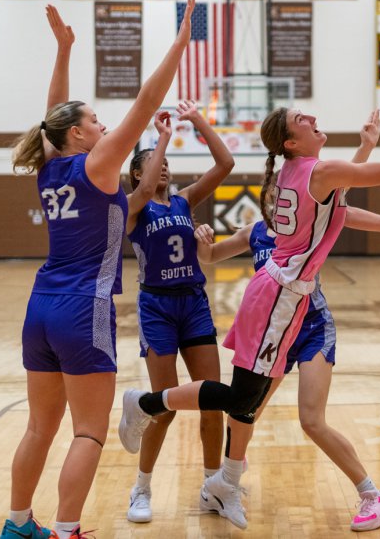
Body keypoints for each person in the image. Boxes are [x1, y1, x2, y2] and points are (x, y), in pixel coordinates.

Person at [118, 106, 380, 529]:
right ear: (290, 142)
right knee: (241, 403)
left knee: (246, 406)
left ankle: (221, 478)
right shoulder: (311, 175)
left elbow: (337, 207)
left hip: (283, 297)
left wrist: (372, 164)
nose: (309, 116)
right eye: (299, 119)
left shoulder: (299, 172)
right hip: (279, 297)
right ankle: (146, 404)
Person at [0, 0, 196, 539]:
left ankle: (18, 526)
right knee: (88, 432)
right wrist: (179, 44)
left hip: (40, 306)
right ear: (82, 136)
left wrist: (63, 51)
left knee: (40, 426)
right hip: (84, 308)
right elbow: (146, 100)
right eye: (94, 120)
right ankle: (67, 531)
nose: (102, 124)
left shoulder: (50, 164)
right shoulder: (99, 164)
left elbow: (52, 113)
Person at [191, 195, 380, 531]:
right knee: (242, 411)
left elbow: (346, 207)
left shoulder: (311, 227)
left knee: (311, 420)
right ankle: (227, 482)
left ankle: (373, 495)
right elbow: (209, 256)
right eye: (273, 191)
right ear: (267, 196)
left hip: (311, 327)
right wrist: (201, 236)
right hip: (275, 334)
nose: (278, 198)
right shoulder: (253, 232)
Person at [122, 99, 234, 523]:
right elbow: (148, 189)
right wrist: (162, 139)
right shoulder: (133, 204)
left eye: (166, 161)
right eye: (153, 162)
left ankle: (213, 487)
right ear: (138, 172)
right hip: (157, 307)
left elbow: (225, 163)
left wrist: (197, 120)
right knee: (164, 408)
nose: (163, 166)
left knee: (212, 400)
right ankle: (141, 488)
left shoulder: (185, 201)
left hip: (194, 303)